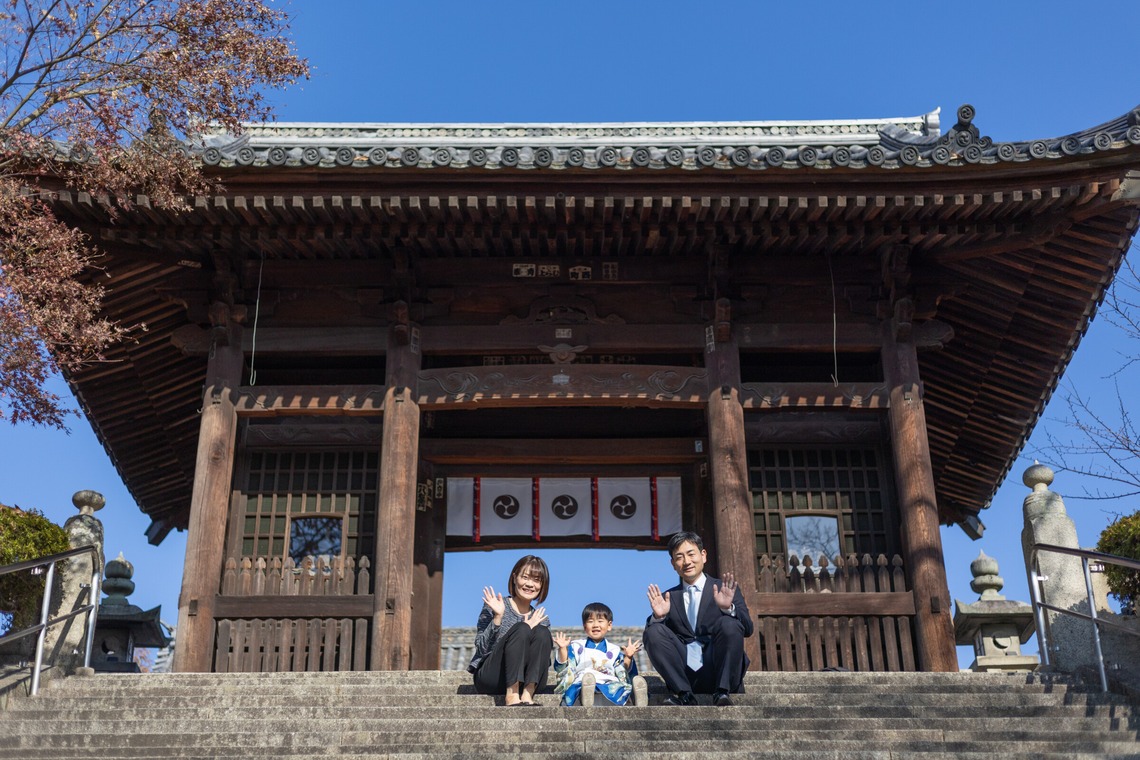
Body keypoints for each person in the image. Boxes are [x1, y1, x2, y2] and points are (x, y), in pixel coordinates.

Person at [643, 531, 753, 706]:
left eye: (691, 554)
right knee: (653, 630)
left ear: (703, 555)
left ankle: (722, 692)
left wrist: (728, 609)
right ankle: (684, 694)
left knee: (729, 623)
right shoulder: (668, 597)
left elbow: (748, 628)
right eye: (679, 557)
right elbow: (657, 640)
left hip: (718, 666)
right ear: (673, 564)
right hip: (686, 671)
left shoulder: (725, 589)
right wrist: (658, 617)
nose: (686, 562)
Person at [468, 554, 553, 706]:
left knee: (541, 632)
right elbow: (481, 649)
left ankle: (527, 695)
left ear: (542, 585)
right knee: (522, 628)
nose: (529, 584)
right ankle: (512, 695)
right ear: (514, 578)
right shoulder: (495, 605)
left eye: (536, 580)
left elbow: (544, 661)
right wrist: (497, 618)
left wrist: (532, 633)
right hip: (493, 677)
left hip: (527, 681)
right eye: (525, 577)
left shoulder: (541, 618)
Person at [552, 602, 648, 707]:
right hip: (583, 681)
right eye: (590, 621)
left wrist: (628, 657)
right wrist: (562, 649)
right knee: (581, 685)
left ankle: (638, 697)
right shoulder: (577, 646)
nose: (596, 625)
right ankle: (586, 694)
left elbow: (622, 671)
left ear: (609, 625)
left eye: (600, 621)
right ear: (585, 626)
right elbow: (565, 666)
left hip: (608, 682)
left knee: (622, 689)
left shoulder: (614, 650)